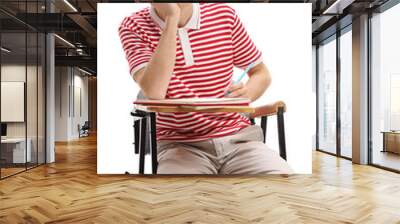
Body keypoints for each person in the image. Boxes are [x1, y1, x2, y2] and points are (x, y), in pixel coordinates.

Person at [119, 3, 293, 174]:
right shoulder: (133, 26)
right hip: (179, 146)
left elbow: (261, 73)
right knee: (177, 198)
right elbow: (155, 91)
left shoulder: (223, 14)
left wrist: (247, 93)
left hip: (240, 140)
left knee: (283, 187)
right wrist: (172, 19)